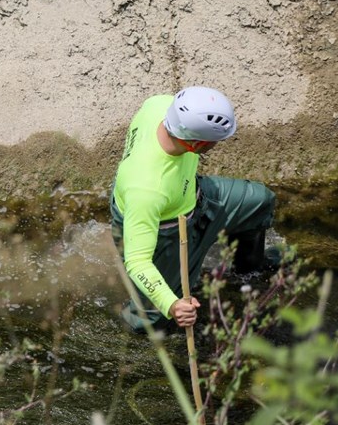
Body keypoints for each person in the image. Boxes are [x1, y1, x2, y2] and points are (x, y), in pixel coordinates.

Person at [110, 86, 276, 333]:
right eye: (214, 142)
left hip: (194, 197)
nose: (216, 146)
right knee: (155, 322)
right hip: (164, 232)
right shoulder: (147, 188)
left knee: (260, 202)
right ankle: (130, 336)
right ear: (195, 144)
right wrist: (173, 304)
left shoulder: (158, 105)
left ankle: (247, 272)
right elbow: (137, 261)